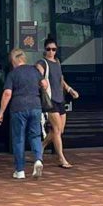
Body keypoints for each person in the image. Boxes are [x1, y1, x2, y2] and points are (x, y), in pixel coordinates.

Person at [0, 48, 47, 179]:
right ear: (24, 58)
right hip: (35, 106)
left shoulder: (12, 74)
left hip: (18, 108)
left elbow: (7, 93)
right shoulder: (34, 70)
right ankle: (38, 160)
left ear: (13, 60)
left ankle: (20, 171)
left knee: (19, 139)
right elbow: (44, 84)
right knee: (35, 136)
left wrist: (1, 112)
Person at [36, 36, 79, 169]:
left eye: (53, 49)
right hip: (50, 100)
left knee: (59, 130)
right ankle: (61, 158)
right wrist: (41, 81)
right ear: (45, 50)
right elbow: (38, 76)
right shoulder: (42, 63)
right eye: (48, 49)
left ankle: (41, 146)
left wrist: (69, 89)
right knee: (56, 128)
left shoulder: (57, 62)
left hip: (60, 98)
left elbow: (61, 79)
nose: (51, 52)